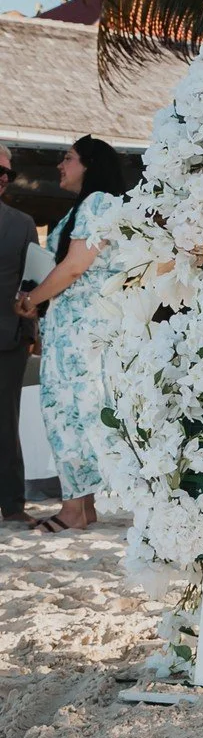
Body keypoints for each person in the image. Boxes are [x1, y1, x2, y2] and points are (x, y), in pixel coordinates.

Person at [16, 136, 128, 533]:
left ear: (90, 164)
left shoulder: (97, 204)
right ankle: (84, 507)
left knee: (67, 414)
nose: (61, 166)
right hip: (80, 330)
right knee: (78, 413)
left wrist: (33, 299)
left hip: (80, 333)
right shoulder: (92, 207)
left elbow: (75, 266)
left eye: (68, 158)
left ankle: (72, 509)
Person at [0, 146, 39, 522]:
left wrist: (28, 332)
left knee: (5, 423)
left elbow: (34, 282)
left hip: (7, 340)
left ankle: (12, 506)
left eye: (7, 172)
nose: (3, 177)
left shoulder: (22, 223)